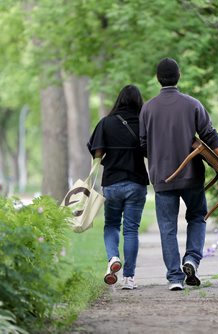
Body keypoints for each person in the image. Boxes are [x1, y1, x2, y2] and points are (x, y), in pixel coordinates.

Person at [139, 58, 218, 291]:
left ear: (157, 79)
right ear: (179, 76)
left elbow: (143, 145)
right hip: (192, 176)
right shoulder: (193, 104)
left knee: (167, 227)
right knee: (197, 217)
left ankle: (175, 278)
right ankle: (192, 259)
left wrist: (160, 158)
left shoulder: (148, 108)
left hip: (162, 178)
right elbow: (211, 136)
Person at [88, 84, 149, 290]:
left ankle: (113, 257)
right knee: (131, 230)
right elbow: (150, 152)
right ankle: (129, 278)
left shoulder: (106, 123)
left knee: (112, 225)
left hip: (112, 182)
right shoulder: (143, 123)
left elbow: (97, 153)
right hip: (136, 182)